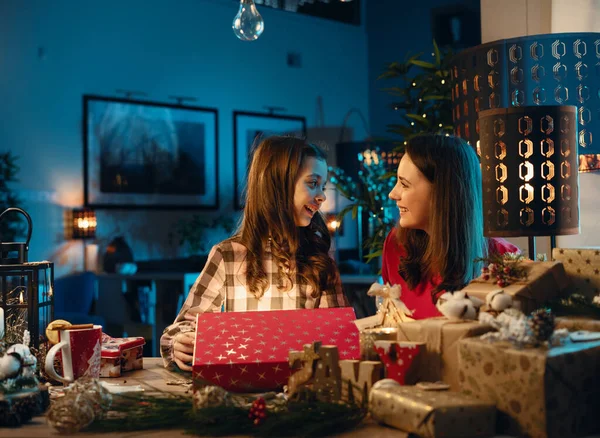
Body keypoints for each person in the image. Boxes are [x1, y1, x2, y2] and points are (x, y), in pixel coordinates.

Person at [161, 136, 349, 370]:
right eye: (312, 183)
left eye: (323, 186)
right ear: (278, 185)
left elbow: (339, 336)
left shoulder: (319, 261)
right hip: (239, 392)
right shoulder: (229, 255)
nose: (322, 196)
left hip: (301, 393)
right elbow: (182, 326)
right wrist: (180, 342)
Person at [382, 134, 519, 319]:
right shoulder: (396, 245)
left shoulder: (504, 260)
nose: (393, 194)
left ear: (442, 192)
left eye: (404, 184)